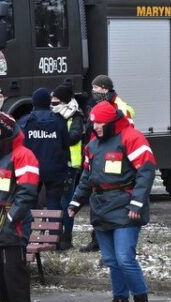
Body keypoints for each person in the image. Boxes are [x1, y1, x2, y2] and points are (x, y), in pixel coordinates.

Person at [68, 100, 156, 302]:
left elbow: (146, 172)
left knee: (125, 258)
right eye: (94, 123)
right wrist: (76, 201)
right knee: (112, 261)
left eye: (100, 124)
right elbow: (86, 177)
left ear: (111, 122)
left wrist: (137, 203)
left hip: (126, 208)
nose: (95, 127)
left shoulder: (132, 137)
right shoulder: (93, 145)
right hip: (102, 208)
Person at [0, 112, 39, 302]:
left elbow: (28, 191)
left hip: (12, 224)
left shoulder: (23, 155)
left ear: (5, 131)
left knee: (14, 276)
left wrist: (12, 217)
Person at [80, 75, 137, 253]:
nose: (93, 91)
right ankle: (98, 239)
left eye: (96, 88)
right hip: (97, 152)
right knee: (97, 192)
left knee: (110, 193)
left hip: (112, 155)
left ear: (105, 89)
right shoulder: (99, 104)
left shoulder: (118, 106)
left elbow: (126, 129)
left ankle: (108, 242)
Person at [19, 88, 70, 248]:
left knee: (31, 202)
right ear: (49, 102)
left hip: (32, 170)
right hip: (55, 169)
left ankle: (29, 237)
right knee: (54, 202)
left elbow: (21, 145)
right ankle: (54, 239)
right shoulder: (59, 120)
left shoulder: (25, 121)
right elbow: (65, 144)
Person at [52, 84, 86, 250]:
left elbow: (74, 137)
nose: (53, 104)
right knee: (56, 202)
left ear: (64, 100)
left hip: (70, 165)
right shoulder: (56, 114)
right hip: (57, 163)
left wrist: (56, 136)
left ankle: (67, 237)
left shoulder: (76, 116)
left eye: (56, 100)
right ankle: (55, 236)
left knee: (67, 201)